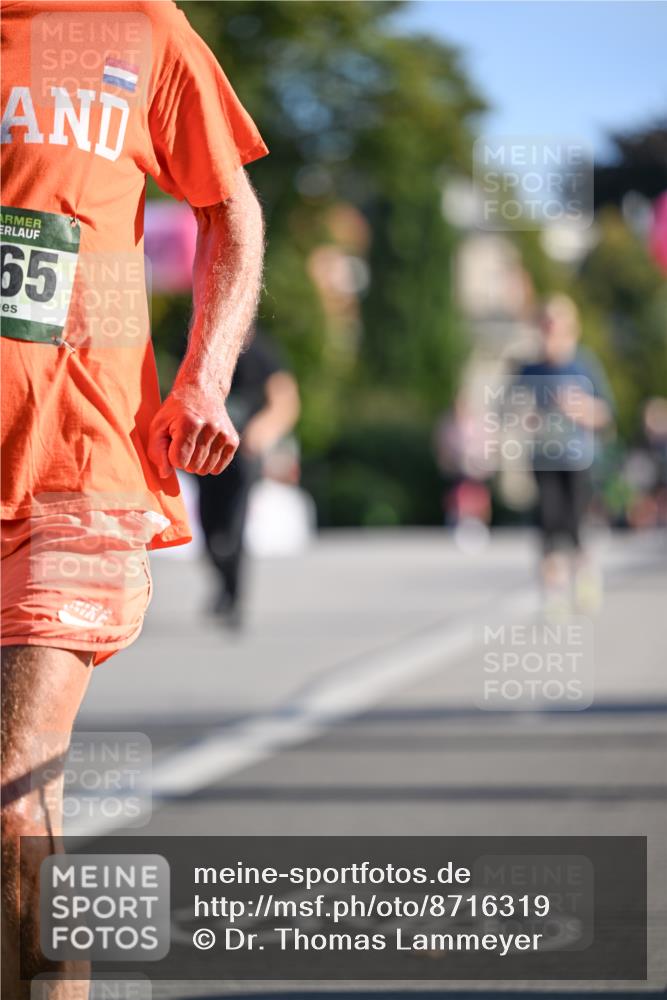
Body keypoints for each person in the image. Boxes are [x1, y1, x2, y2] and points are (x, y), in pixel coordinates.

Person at [0, 1, 267, 994]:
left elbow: (227, 206)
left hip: (80, 461)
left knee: (18, 793)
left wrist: (204, 375)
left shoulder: (138, 24)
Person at [516, 294, 614, 615]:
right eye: (545, 325)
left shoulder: (584, 364)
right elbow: (511, 411)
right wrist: (529, 418)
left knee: (576, 526)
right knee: (548, 525)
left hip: (577, 458)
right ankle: (554, 593)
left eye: (557, 325)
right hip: (544, 458)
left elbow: (606, 413)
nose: (551, 332)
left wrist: (580, 408)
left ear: (571, 327)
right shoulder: (529, 369)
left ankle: (584, 576)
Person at [198, 330, 300, 628]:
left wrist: (263, 430)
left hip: (244, 453)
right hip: (208, 450)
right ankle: (223, 583)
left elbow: (285, 399)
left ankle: (234, 598)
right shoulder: (197, 345)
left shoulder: (261, 352)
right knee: (208, 526)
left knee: (234, 526)